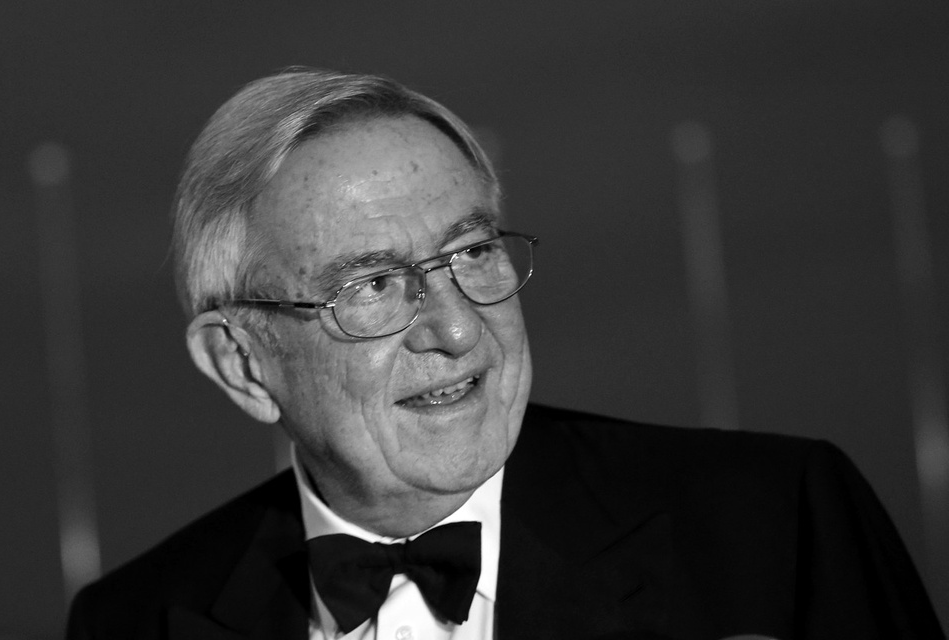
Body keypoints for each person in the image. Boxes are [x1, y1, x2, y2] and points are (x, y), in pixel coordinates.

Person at [66, 68, 944, 640]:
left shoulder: (774, 526)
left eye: (472, 252)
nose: (456, 329)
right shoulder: (133, 621)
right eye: (372, 285)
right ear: (242, 364)